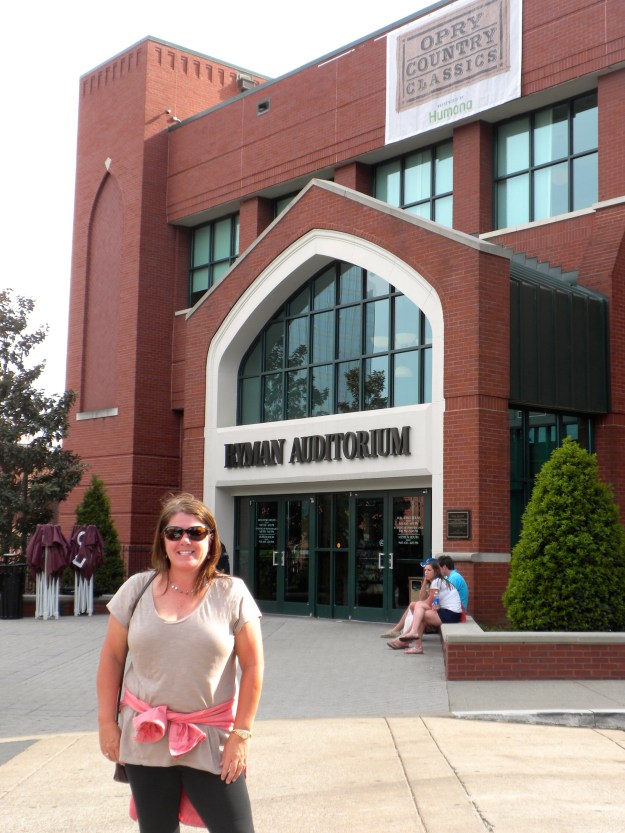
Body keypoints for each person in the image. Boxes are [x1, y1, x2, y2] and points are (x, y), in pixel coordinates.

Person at [97, 492, 264, 833]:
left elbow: (254, 667)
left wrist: (241, 734)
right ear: (163, 539)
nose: (184, 541)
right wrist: (106, 723)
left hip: (211, 739)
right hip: (146, 735)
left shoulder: (231, 594)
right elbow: (112, 658)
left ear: (211, 539)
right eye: (174, 533)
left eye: (195, 532)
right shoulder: (135, 589)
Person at [386, 558, 462, 654]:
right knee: (417, 607)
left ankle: (409, 638)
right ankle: (409, 639)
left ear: (436, 571)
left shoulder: (437, 581)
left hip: (451, 614)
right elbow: (422, 598)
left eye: (429, 570)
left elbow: (427, 603)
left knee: (419, 610)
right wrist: (425, 581)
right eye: (425, 570)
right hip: (449, 612)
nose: (426, 572)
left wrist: (418, 605)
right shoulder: (437, 581)